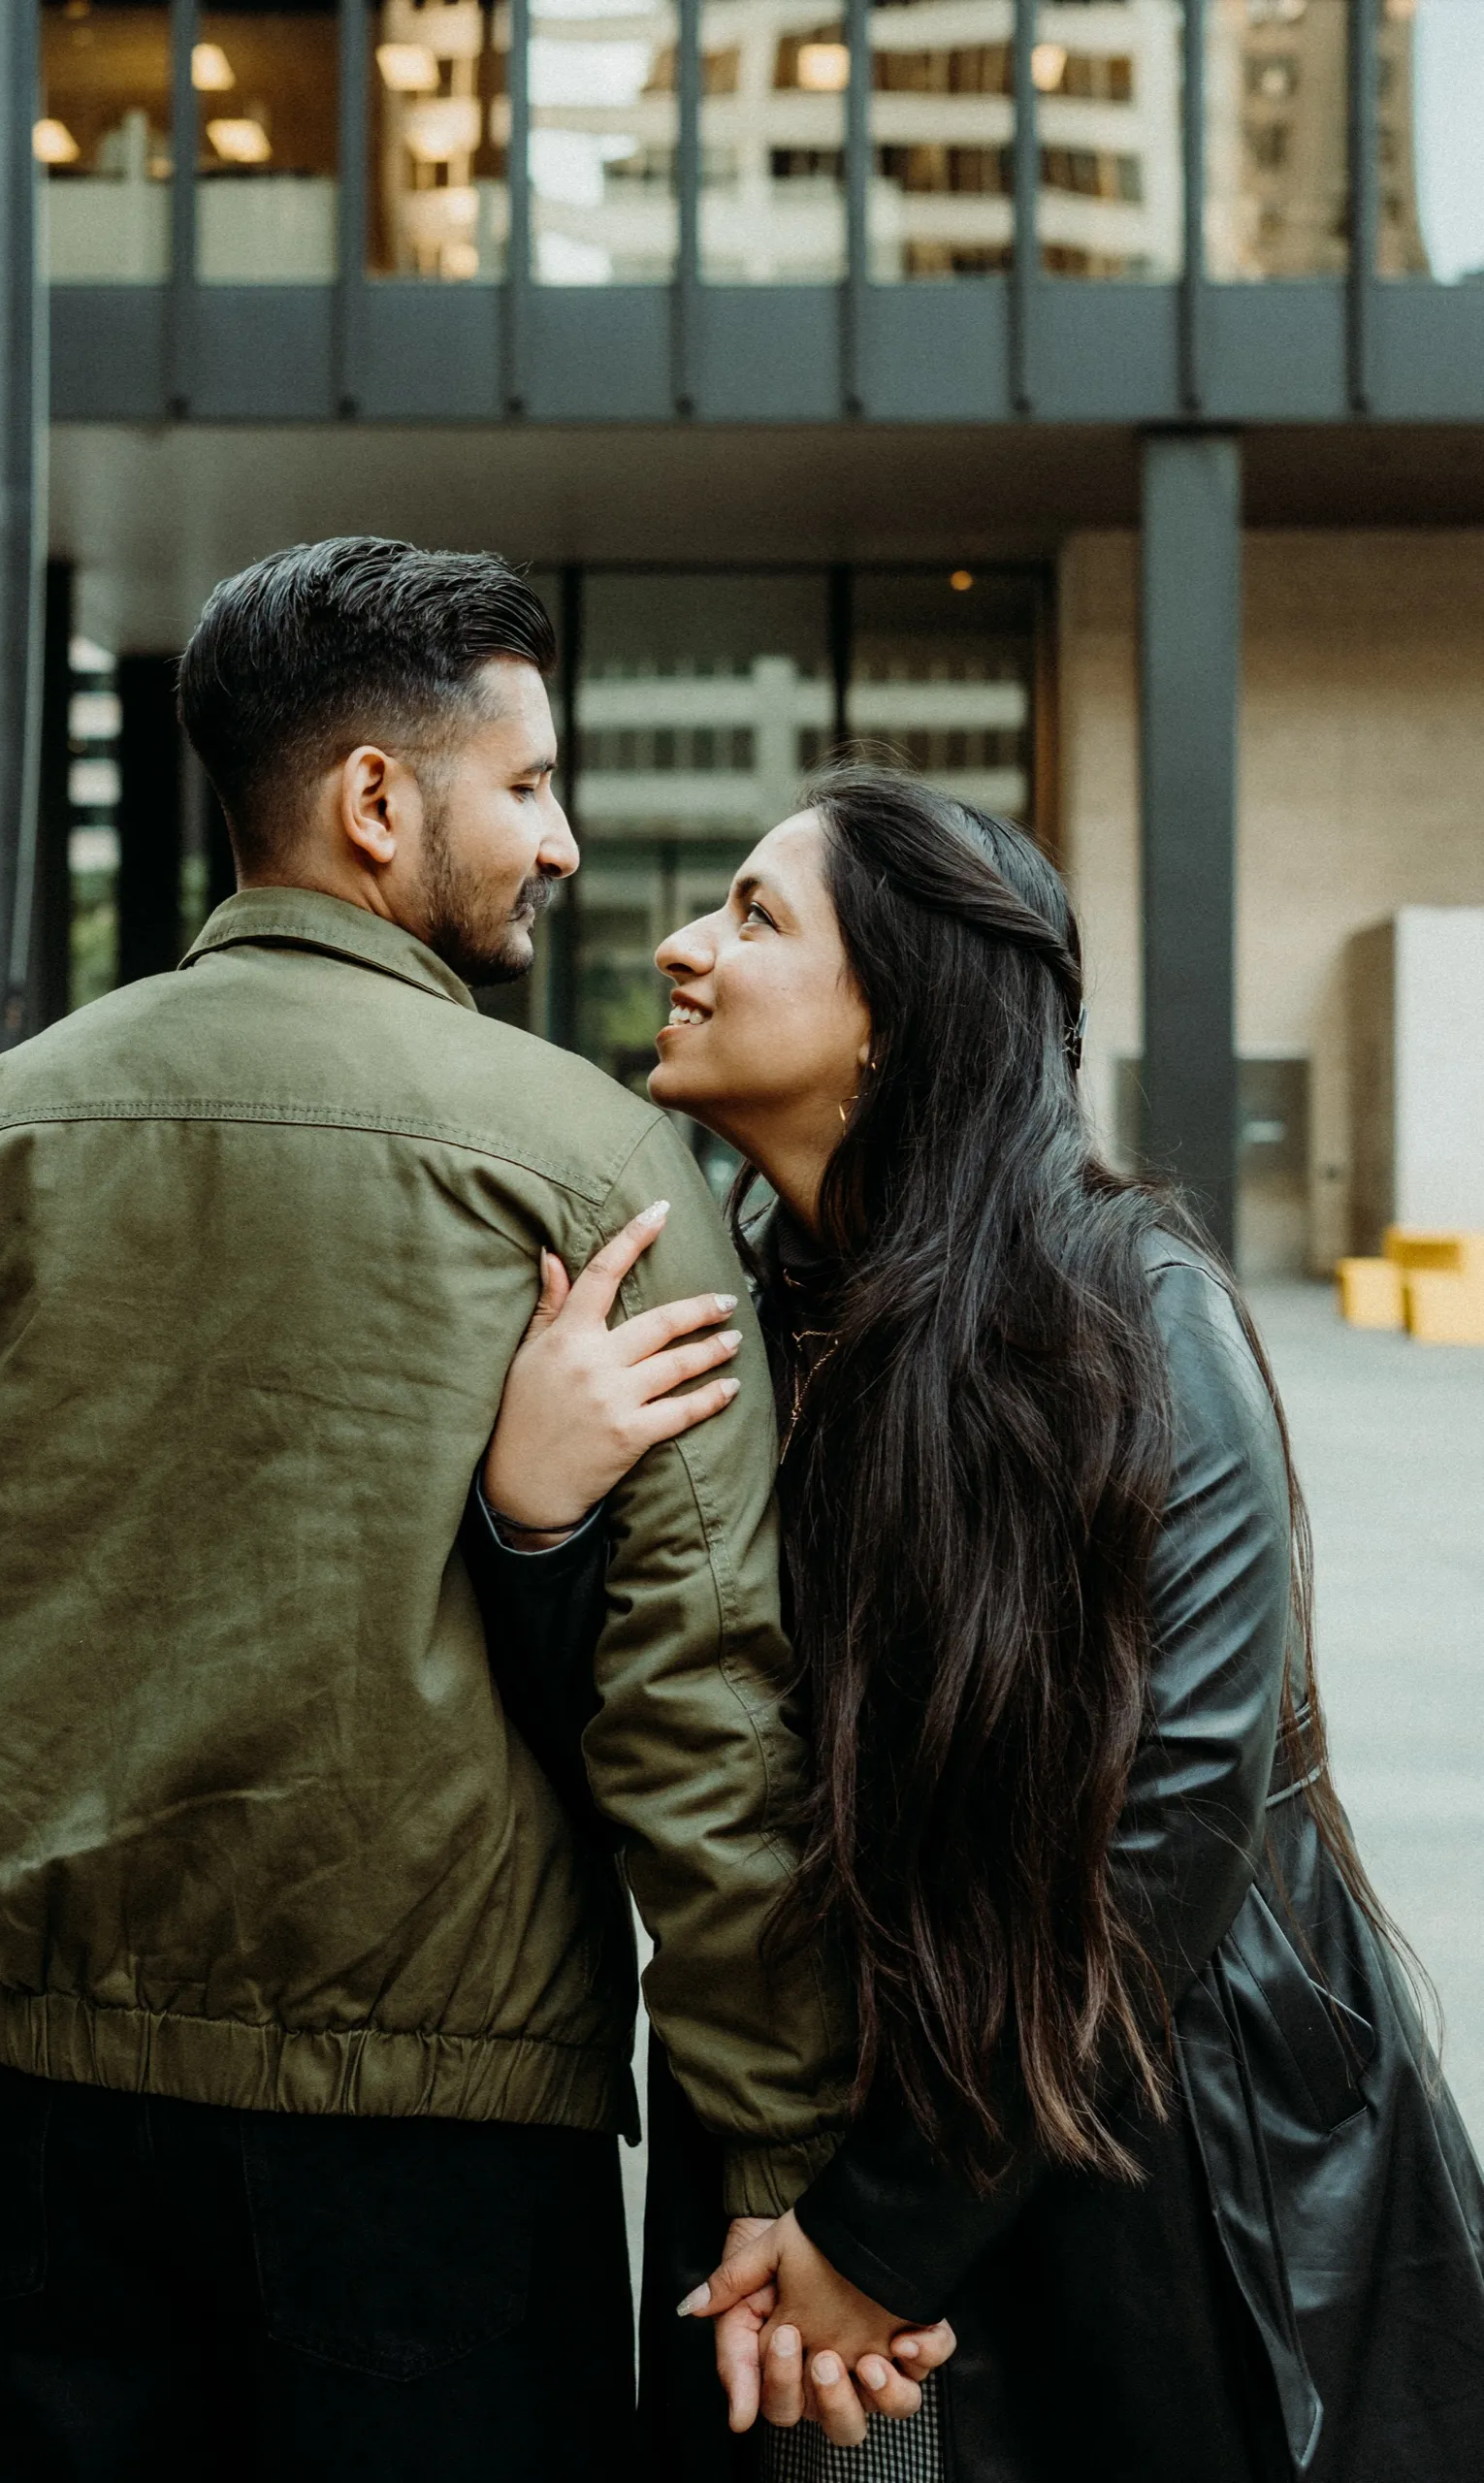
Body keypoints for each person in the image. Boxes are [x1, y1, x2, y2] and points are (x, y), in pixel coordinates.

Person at [0, 538, 897, 2482]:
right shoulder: (590, 1161)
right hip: (452, 2154)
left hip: (66, 2124)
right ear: (376, 801)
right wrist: (779, 2146)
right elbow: (701, 1704)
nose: (562, 842)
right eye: (529, 782)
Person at [473, 767, 1484, 2480]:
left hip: (1136, 2145)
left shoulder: (1129, 1315)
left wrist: (881, 2244)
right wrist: (536, 1512)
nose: (678, 947)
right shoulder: (711, 1327)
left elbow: (1164, 1826)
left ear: (895, 1021)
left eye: (751, 915)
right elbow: (633, 1746)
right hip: (803, 2126)